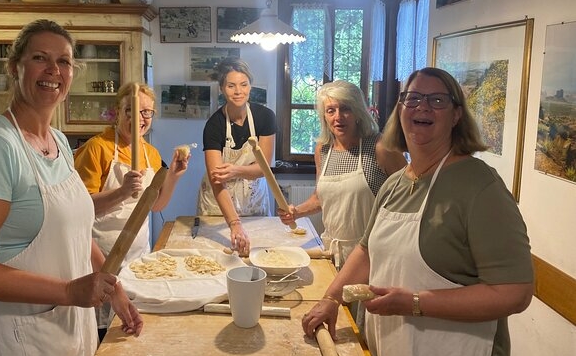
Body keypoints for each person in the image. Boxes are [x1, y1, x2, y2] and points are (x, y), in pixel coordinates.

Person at [0, 19, 143, 356]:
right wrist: (69, 291)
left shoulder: (59, 142)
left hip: (66, 327)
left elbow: (75, 229)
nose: (53, 70)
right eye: (40, 58)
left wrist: (112, 284)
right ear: (14, 67)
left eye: (63, 61)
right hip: (14, 332)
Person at [301, 67, 534, 356]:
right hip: (391, 344)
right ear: (400, 110)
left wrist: (414, 302)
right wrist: (331, 299)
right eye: (412, 99)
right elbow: (366, 252)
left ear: (456, 115)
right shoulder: (396, 184)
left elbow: (516, 292)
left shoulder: (480, 187)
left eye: (437, 100)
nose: (422, 106)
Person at [73, 82, 189, 333]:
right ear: (117, 112)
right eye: (132, 110)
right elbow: (77, 210)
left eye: (147, 112)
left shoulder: (151, 153)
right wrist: (122, 192)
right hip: (100, 257)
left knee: (130, 328)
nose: (140, 118)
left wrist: (174, 176)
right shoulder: (97, 148)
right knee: (102, 331)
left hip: (138, 259)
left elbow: (156, 205)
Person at [277, 80, 406, 269]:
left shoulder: (380, 147)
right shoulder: (323, 150)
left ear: (358, 112)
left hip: (372, 255)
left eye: (345, 109)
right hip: (332, 251)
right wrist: (296, 213)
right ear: (324, 117)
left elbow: (409, 198)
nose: (338, 117)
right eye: (331, 110)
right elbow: (320, 198)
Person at [196, 57, 276, 256]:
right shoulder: (214, 125)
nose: (238, 91)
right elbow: (217, 180)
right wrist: (234, 223)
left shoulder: (265, 117)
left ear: (250, 85)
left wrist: (236, 170)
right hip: (219, 204)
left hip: (254, 198)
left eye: (243, 84)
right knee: (218, 256)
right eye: (231, 86)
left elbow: (263, 168)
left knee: (260, 254)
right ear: (222, 88)